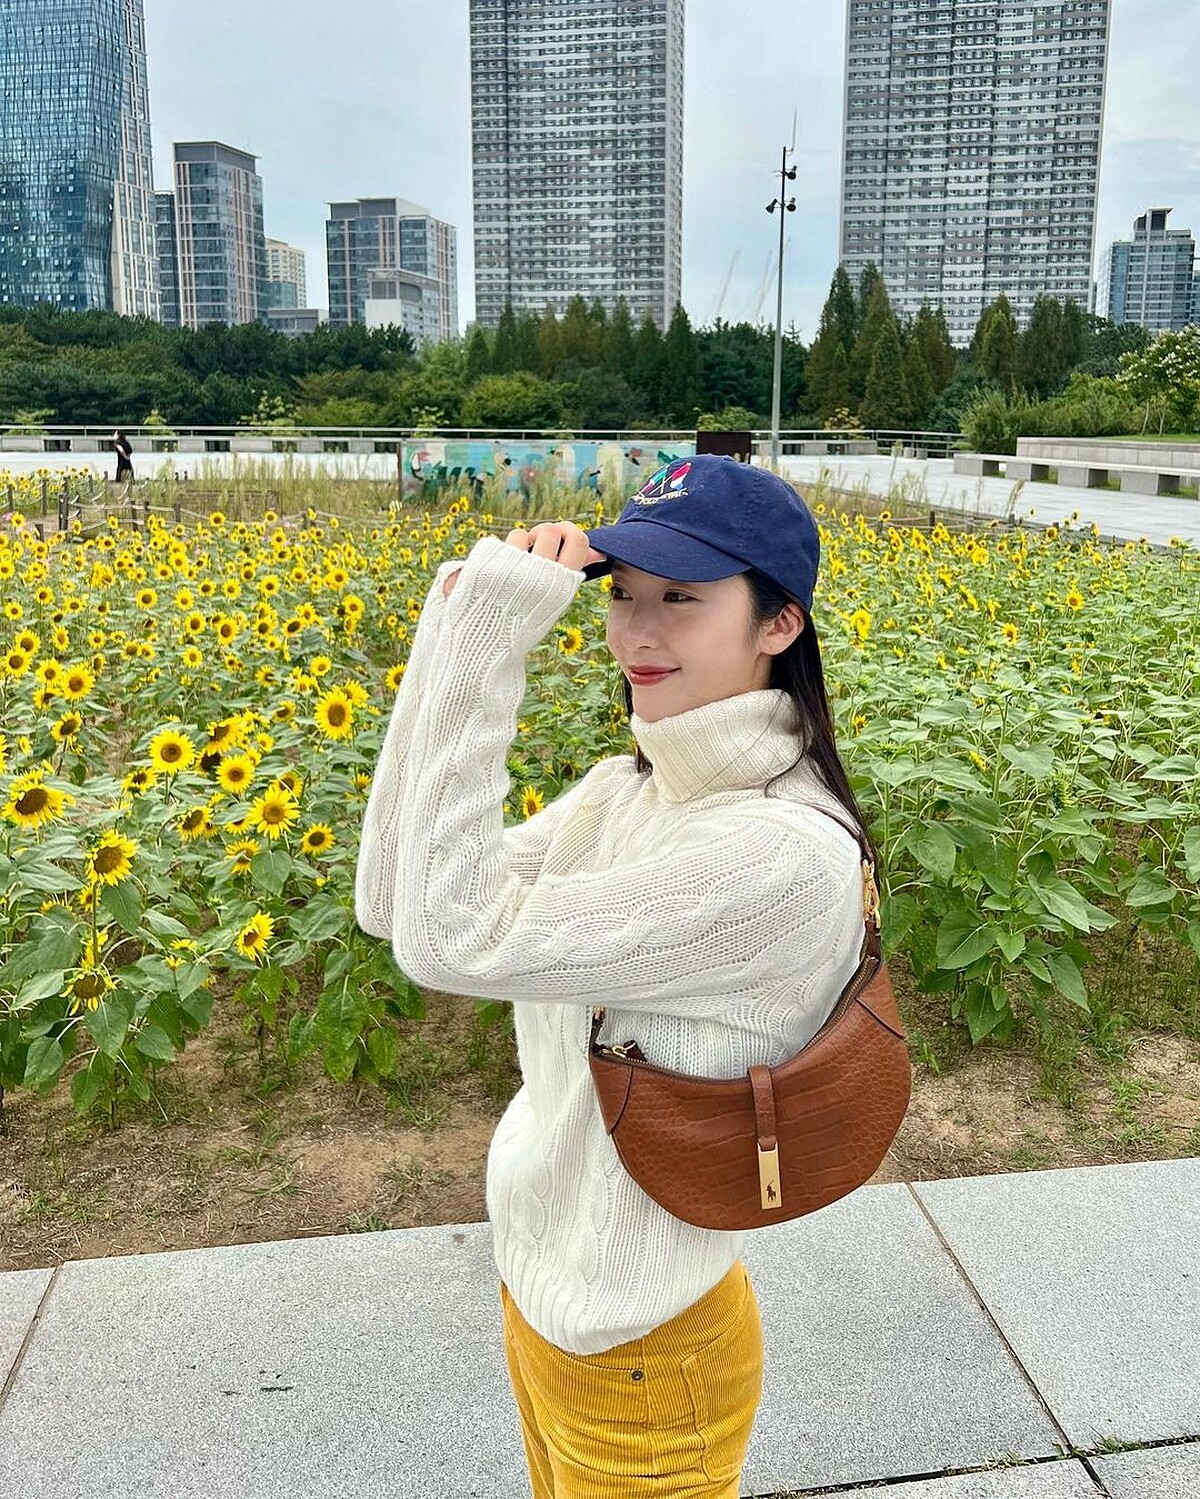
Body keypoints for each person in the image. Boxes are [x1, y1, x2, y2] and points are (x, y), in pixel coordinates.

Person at [355, 455, 875, 1498]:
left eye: (681, 598)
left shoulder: (777, 856)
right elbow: (392, 900)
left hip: (646, 1352)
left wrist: (490, 651)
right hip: (545, 1298)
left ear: (780, 623)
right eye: (624, 592)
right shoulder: (626, 788)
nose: (638, 631)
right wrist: (450, 632)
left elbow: (448, 939)